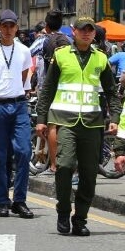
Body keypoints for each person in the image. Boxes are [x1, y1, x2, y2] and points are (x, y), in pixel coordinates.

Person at [35, 16, 120, 236]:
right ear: (74, 32)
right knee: (64, 166)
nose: (86, 33)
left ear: (94, 34)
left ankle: (80, 218)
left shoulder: (101, 59)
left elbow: (112, 92)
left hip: (92, 124)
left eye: (90, 30)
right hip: (65, 121)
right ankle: (63, 211)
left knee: (90, 174)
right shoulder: (61, 55)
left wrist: (115, 118)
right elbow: (48, 90)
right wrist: (41, 119)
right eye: (82, 29)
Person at [0, 8, 34, 219]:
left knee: (23, 152)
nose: (9, 29)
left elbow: (23, 79)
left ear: (17, 27)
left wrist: (15, 95)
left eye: (12, 25)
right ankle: (2, 200)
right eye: (5, 26)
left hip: (19, 105)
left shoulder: (24, 50)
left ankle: (19, 200)